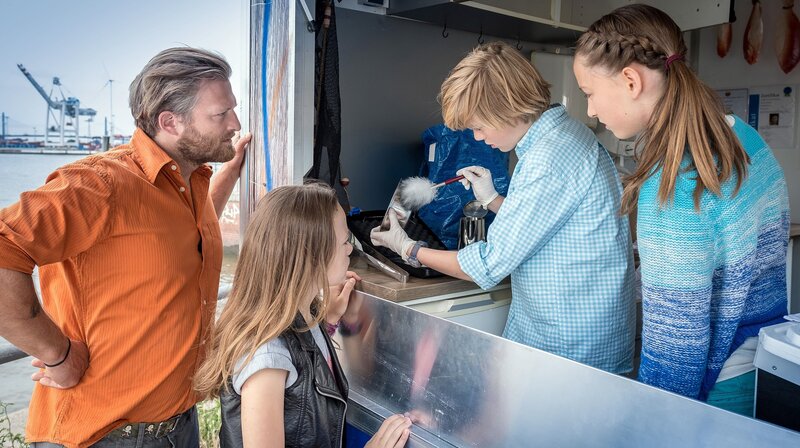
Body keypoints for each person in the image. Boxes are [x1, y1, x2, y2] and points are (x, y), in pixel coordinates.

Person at [0, 47, 252, 447]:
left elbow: (189, 232)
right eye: (221, 114)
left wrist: (233, 170)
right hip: (103, 437)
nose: (235, 123)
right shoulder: (100, 184)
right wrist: (57, 353)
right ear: (170, 122)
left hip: (178, 428)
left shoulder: (190, 184)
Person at [572, 4, 789, 415]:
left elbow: (676, 346)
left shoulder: (673, 184)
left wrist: (654, 422)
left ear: (631, 81)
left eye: (589, 93)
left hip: (715, 393)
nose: (591, 111)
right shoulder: (742, 137)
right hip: (767, 371)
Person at [371, 41, 636, 375]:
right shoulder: (566, 133)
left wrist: (408, 248)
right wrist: (492, 200)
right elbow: (546, 222)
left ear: (507, 108)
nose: (478, 138)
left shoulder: (546, 160)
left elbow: (486, 266)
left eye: (479, 126)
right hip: (584, 336)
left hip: (568, 350)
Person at [193, 183, 412, 448]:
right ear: (311, 256)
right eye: (344, 241)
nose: (350, 250)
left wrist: (327, 322)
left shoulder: (306, 316)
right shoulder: (267, 359)